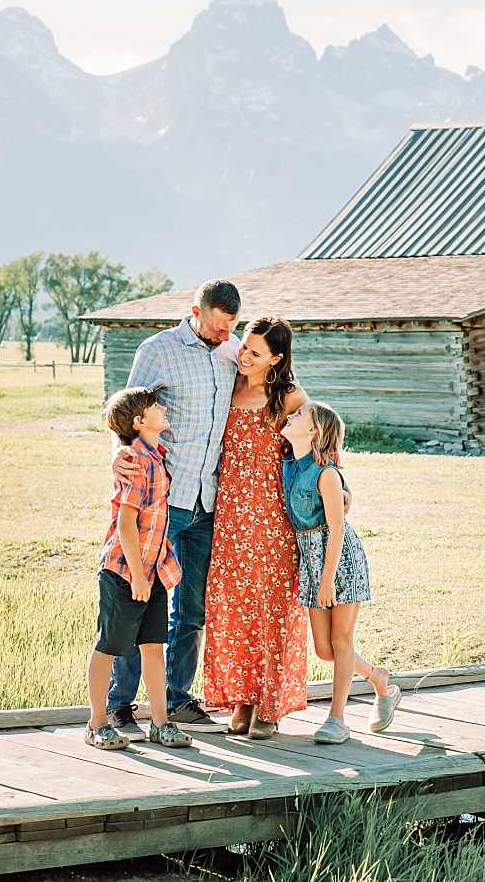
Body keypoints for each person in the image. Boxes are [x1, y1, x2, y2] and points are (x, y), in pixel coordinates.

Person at [107, 280, 242, 730]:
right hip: (165, 498)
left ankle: (179, 698)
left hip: (209, 499)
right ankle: (119, 703)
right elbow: (125, 413)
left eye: (232, 327)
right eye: (220, 325)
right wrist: (118, 454)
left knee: (192, 609)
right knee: (140, 602)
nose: (226, 336)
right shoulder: (158, 350)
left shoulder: (231, 350)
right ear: (196, 311)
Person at [201, 316, 310, 739]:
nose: (244, 356)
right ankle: (242, 699)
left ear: (277, 358)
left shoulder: (288, 397)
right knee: (234, 605)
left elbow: (319, 441)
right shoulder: (228, 385)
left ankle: (270, 705)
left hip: (273, 518)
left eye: (255, 352)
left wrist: (338, 484)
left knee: (272, 609)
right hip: (229, 516)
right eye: (244, 347)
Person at [279, 401, 399, 745]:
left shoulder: (327, 474)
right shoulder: (290, 465)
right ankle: (379, 680)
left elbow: (337, 527)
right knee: (325, 650)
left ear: (313, 431)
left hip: (339, 559)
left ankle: (337, 719)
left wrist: (328, 578)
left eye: (299, 416)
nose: (291, 417)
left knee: (341, 640)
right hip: (311, 560)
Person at [84, 387, 193, 751]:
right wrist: (139, 575)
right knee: (110, 645)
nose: (164, 408)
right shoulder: (136, 459)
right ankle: (97, 722)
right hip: (126, 572)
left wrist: (150, 575)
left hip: (154, 570)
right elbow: (126, 523)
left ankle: (160, 724)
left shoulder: (156, 455)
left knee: (152, 646)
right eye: (155, 406)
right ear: (139, 422)